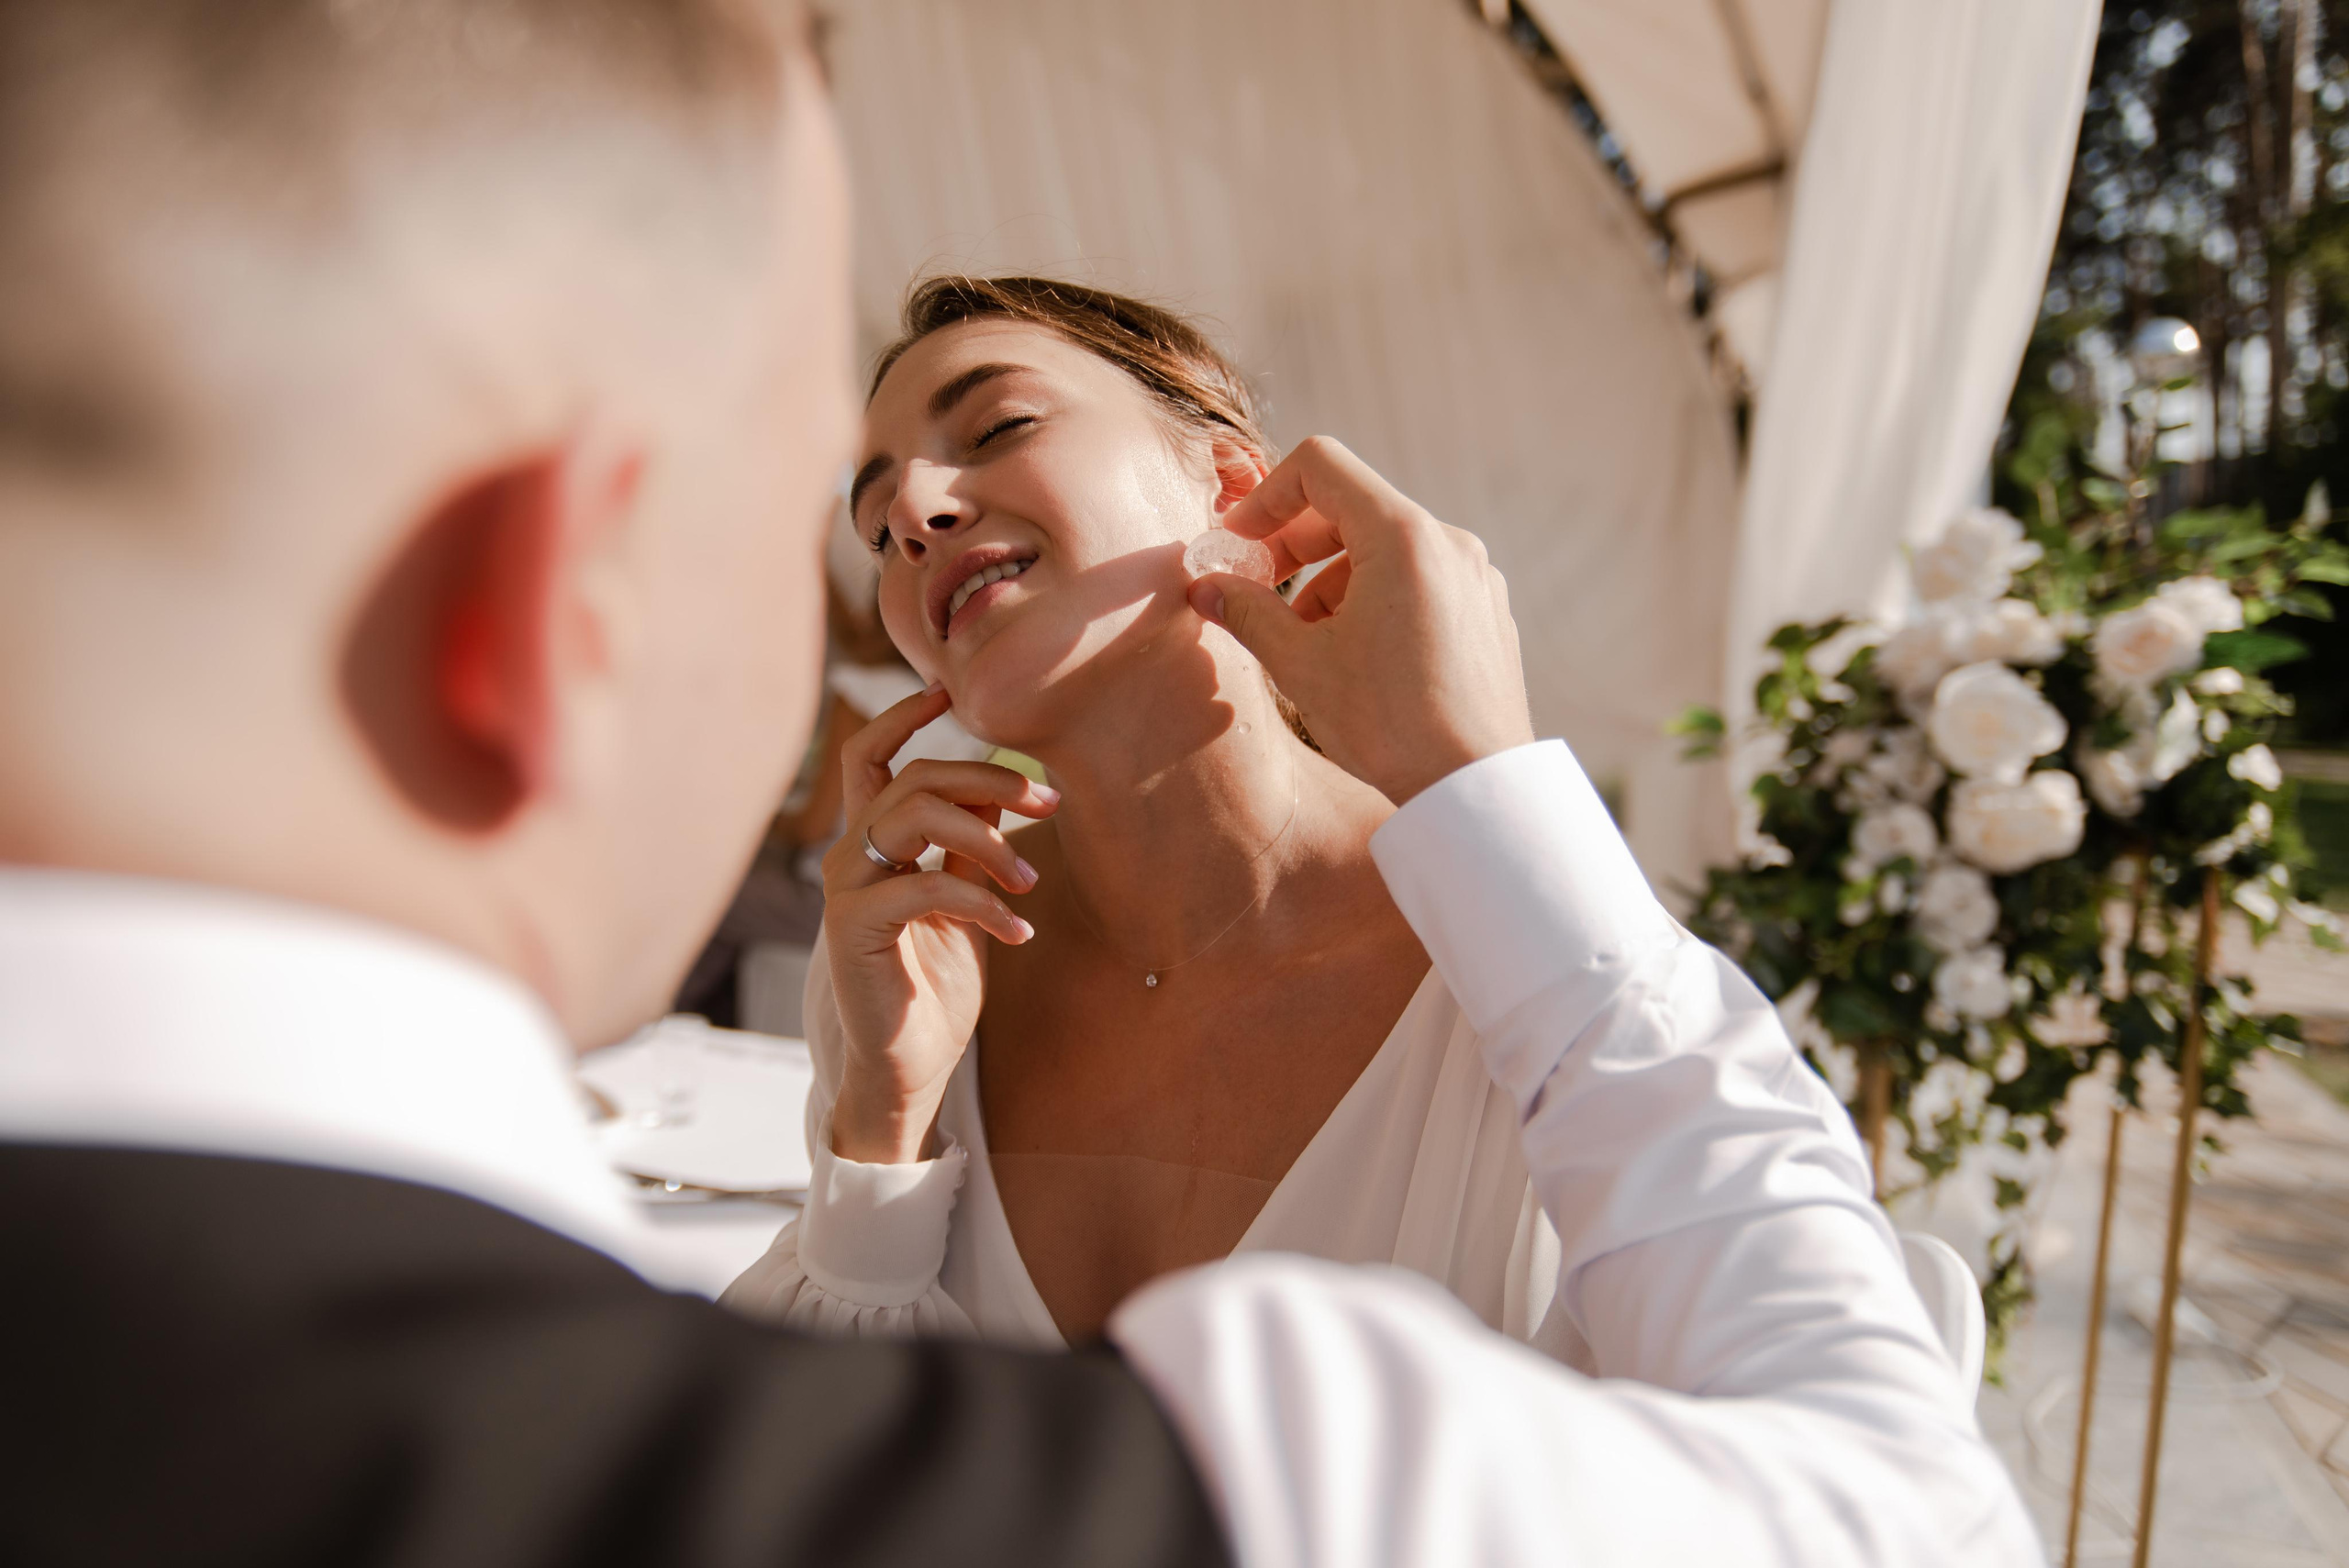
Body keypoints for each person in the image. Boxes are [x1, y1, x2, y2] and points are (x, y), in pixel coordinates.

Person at [0, 2, 2039, 1563]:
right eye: (864, 501)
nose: (912, 516)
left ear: (1233, 485)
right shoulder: (942, 987)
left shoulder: (1518, 988)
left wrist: (1484, 801)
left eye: (986, 429)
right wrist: (875, 1155)